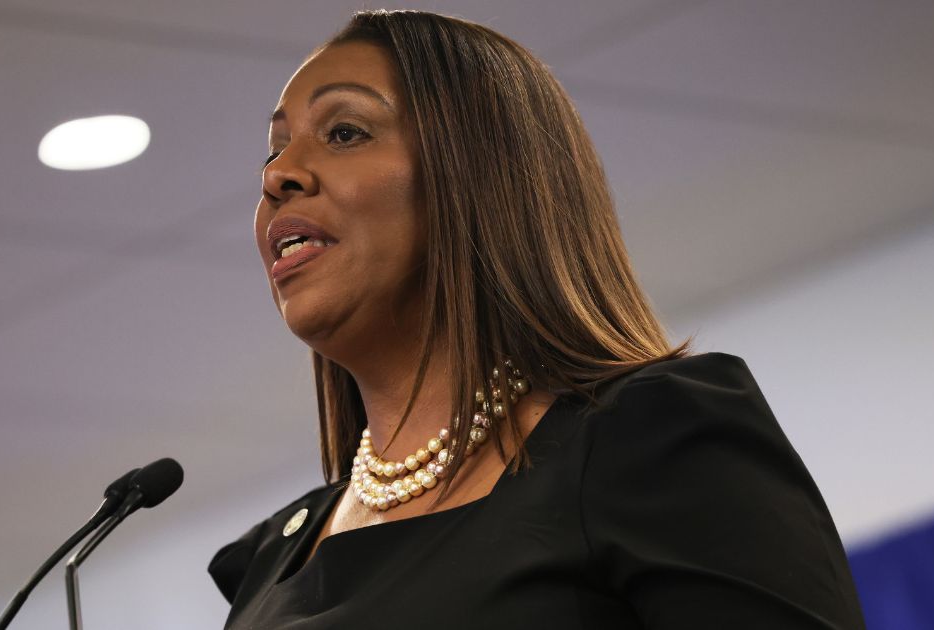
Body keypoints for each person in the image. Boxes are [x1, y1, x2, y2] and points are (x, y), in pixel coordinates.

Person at [209, 9, 865, 629]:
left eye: (345, 132)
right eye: (274, 150)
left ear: (479, 174)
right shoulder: (272, 563)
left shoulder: (645, 441)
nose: (280, 175)